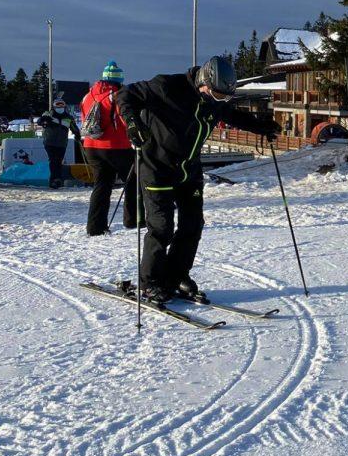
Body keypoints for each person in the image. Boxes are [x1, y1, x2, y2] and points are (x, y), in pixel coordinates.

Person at [116, 55, 279, 303]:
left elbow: (231, 114)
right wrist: (131, 123)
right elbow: (126, 95)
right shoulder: (167, 86)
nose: (219, 101)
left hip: (188, 170)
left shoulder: (215, 99)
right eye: (217, 95)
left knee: (193, 225)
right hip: (157, 167)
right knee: (161, 228)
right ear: (204, 81)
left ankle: (176, 275)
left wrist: (261, 127)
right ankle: (150, 282)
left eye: (224, 97)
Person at [81, 60, 137, 236]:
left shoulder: (88, 95)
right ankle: (132, 220)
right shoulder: (117, 95)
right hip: (117, 146)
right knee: (133, 181)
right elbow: (124, 120)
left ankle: (95, 227)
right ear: (119, 80)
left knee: (102, 185)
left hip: (91, 146)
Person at [37, 98, 81, 189]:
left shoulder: (68, 118)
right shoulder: (49, 115)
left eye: (62, 105)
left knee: (58, 161)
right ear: (54, 106)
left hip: (62, 143)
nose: (60, 107)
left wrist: (77, 134)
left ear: (64, 106)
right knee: (53, 160)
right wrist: (44, 120)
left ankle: (57, 179)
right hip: (50, 142)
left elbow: (74, 128)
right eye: (58, 105)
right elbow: (40, 121)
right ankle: (54, 180)